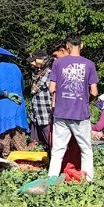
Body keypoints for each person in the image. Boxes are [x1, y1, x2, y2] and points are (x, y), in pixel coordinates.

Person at [47, 35, 98, 181]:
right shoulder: (89, 64)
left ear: (67, 46)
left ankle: (52, 180)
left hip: (61, 113)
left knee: (58, 149)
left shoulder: (58, 64)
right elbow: (94, 91)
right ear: (81, 45)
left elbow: (51, 89)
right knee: (86, 149)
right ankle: (88, 180)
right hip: (80, 113)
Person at [0, 54, 29, 154]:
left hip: (2, 108)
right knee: (19, 139)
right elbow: (22, 87)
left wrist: (6, 94)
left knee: (4, 138)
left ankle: (6, 163)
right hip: (18, 105)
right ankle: (23, 163)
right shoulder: (16, 68)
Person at [27, 52, 55, 148]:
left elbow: (43, 88)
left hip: (45, 111)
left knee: (49, 139)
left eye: (35, 60)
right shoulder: (38, 73)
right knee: (35, 142)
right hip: (36, 112)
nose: (33, 64)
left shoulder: (50, 73)